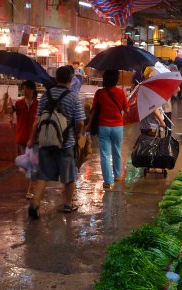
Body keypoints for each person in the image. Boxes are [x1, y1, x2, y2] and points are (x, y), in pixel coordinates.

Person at [26, 66, 85, 219]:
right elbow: (79, 122)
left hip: (46, 141)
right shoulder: (73, 97)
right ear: (71, 78)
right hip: (66, 143)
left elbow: (37, 120)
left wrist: (32, 139)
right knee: (69, 176)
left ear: (56, 78)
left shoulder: (46, 95)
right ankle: (67, 205)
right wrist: (78, 136)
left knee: (43, 175)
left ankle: (35, 204)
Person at [86, 70, 128, 189]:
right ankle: (118, 175)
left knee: (104, 154)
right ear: (116, 80)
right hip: (118, 126)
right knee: (117, 151)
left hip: (103, 126)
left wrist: (89, 125)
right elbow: (127, 110)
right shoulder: (121, 92)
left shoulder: (99, 93)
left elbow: (93, 111)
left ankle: (107, 181)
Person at [14, 80, 39, 198]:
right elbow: (7, 111)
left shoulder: (38, 104)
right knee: (27, 164)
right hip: (21, 137)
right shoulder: (18, 104)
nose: (24, 91)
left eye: (27, 89)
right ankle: (35, 183)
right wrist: (4, 101)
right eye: (23, 89)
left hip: (34, 139)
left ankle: (30, 190)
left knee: (32, 164)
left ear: (33, 90)